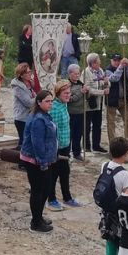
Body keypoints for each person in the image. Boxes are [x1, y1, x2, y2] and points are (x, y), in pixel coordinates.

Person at [98, 137, 128, 255]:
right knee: (122, 253)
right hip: (119, 217)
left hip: (106, 215)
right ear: (126, 154)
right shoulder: (125, 174)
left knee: (110, 251)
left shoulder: (104, 166)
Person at [20, 90, 58, 233]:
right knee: (38, 190)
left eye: (51, 101)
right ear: (39, 102)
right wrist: (42, 162)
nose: (50, 104)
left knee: (46, 189)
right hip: (35, 161)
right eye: (47, 101)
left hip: (45, 160)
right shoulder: (37, 119)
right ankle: (35, 223)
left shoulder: (44, 116)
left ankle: (39, 217)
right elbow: (38, 143)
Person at [46, 81, 81, 211]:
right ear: (58, 93)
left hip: (66, 144)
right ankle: (51, 199)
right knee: (53, 174)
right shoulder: (54, 107)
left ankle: (67, 198)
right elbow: (52, 129)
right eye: (65, 93)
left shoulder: (64, 104)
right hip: (57, 146)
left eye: (69, 92)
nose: (68, 95)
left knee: (65, 172)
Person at [106, 53, 128, 145]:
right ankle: (112, 140)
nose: (117, 62)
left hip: (124, 98)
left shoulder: (124, 68)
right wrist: (120, 67)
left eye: (118, 60)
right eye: (115, 60)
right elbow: (114, 78)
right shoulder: (108, 70)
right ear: (111, 60)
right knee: (111, 122)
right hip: (112, 99)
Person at [82, 53, 109, 154]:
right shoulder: (86, 72)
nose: (100, 62)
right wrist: (102, 92)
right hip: (90, 102)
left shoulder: (100, 71)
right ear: (93, 63)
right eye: (98, 61)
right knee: (87, 125)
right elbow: (87, 88)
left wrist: (106, 82)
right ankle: (86, 146)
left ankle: (96, 145)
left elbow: (105, 84)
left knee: (97, 125)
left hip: (99, 103)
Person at [11, 63, 36, 141]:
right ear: (21, 75)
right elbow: (28, 103)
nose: (30, 74)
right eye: (27, 72)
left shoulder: (29, 84)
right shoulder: (17, 87)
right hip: (21, 118)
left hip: (29, 117)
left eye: (30, 71)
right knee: (24, 142)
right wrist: (38, 97)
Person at [66, 63, 86, 160]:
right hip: (71, 113)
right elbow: (69, 99)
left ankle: (77, 152)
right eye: (75, 74)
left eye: (78, 73)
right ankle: (66, 153)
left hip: (81, 112)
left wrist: (87, 91)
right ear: (70, 74)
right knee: (69, 134)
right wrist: (81, 92)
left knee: (78, 134)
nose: (77, 75)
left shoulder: (81, 83)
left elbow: (86, 97)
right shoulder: (67, 85)